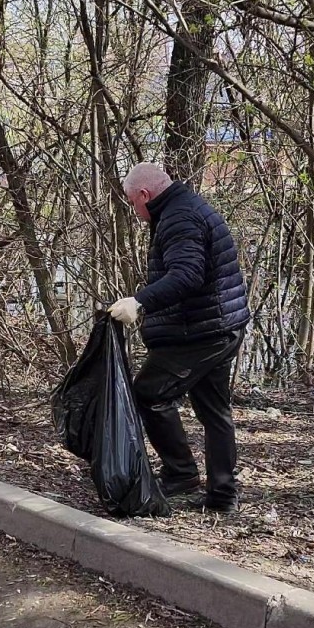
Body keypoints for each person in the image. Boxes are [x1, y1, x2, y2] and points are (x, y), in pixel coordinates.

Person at [108, 162, 250, 513]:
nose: (134, 210)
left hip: (202, 332)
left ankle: (181, 474)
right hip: (219, 324)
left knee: (148, 393)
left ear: (145, 195)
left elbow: (186, 276)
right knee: (214, 410)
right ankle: (222, 495)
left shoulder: (179, 218)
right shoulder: (182, 206)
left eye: (132, 203)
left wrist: (139, 302)